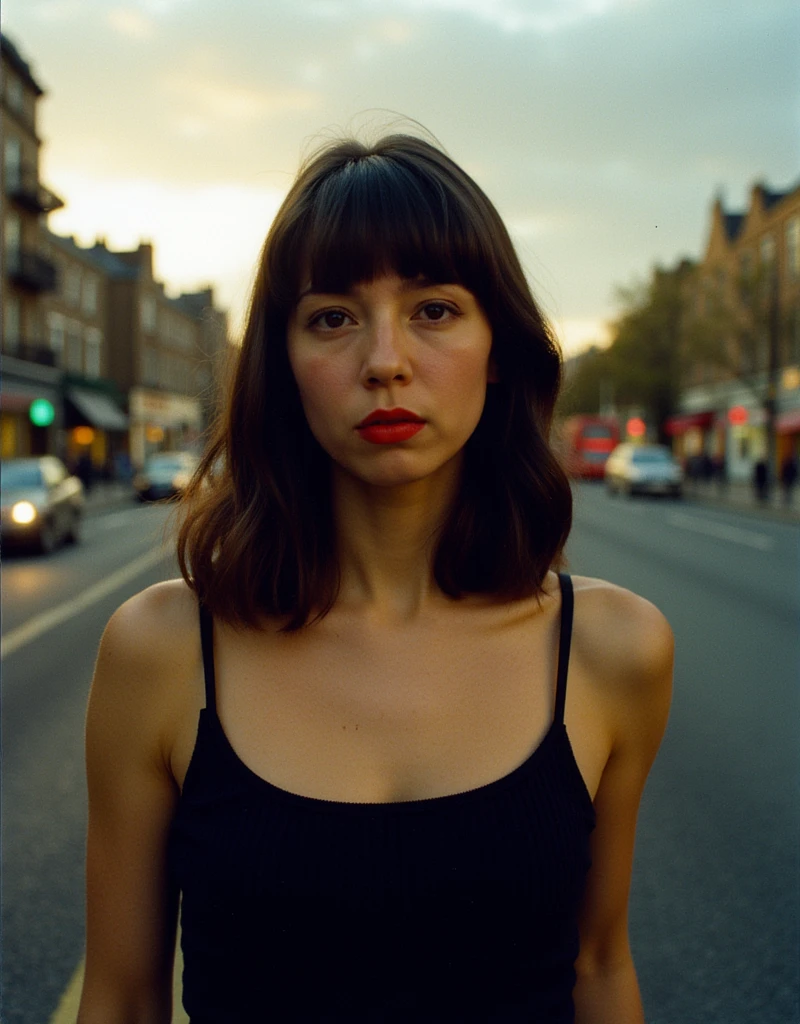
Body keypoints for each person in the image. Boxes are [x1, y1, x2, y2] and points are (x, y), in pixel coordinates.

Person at [78, 132, 673, 1024]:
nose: (384, 361)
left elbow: (598, 965)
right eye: (333, 316)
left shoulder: (614, 651)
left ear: (498, 346)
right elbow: (123, 997)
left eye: (434, 310)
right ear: (282, 363)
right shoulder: (159, 653)